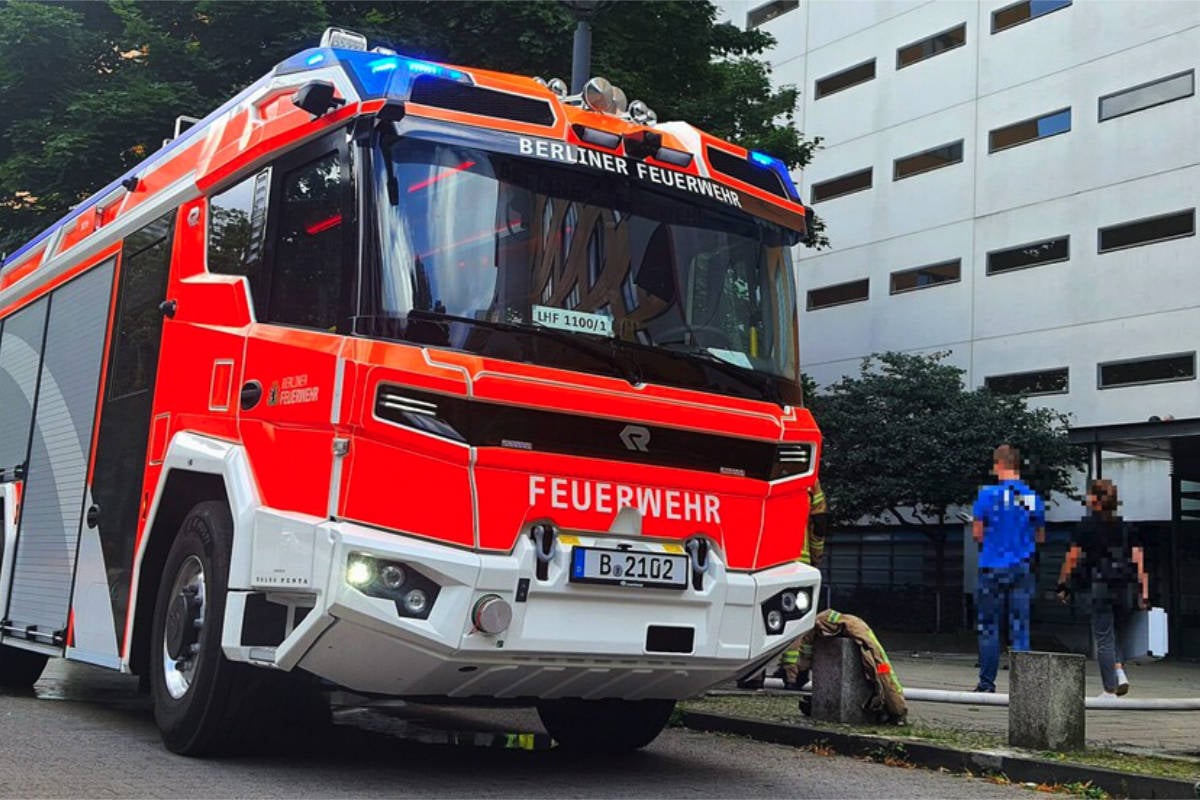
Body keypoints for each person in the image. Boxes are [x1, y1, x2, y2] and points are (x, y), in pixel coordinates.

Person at [1056, 479, 1149, 697]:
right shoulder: (1126, 527)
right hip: (1125, 586)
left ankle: (1109, 689)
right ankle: (1119, 671)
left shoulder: (1086, 527)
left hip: (1099, 587)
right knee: (1117, 633)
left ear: (1095, 500)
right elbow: (1138, 560)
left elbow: (1072, 557)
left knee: (1104, 637)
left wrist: (1062, 583)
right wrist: (1143, 590)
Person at [739, 479, 827, 689]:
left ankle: (754, 674)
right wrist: (817, 554)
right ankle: (793, 675)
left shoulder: (753, 471)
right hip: (798, 558)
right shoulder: (809, 480)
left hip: (761, 556)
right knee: (796, 616)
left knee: (758, 612)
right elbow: (820, 519)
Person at [972, 444, 1045, 693]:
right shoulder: (1031, 497)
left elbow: (978, 533)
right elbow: (1040, 535)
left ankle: (986, 684)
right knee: (1020, 627)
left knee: (989, 627)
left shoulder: (987, 495)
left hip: (992, 566)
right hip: (1021, 567)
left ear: (1000, 465)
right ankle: (1023, 687)